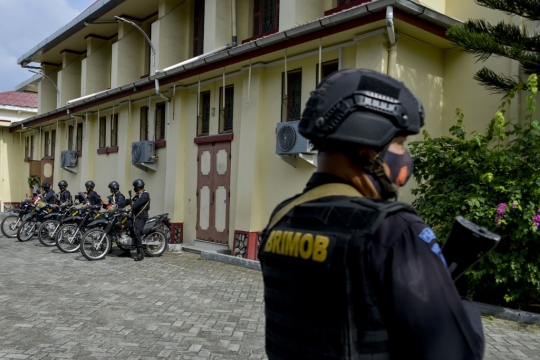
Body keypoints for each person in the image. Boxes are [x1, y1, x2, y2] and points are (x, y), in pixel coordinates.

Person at [258, 69, 485, 359]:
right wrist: (458, 304)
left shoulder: (281, 217)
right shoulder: (394, 230)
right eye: (400, 143)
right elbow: (459, 352)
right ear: (368, 149)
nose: (404, 156)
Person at [124, 179, 149, 261]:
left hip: (142, 217)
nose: (134, 188)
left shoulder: (145, 195)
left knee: (136, 232)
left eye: (135, 187)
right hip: (135, 216)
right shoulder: (137, 195)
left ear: (138, 187)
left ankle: (140, 253)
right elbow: (131, 202)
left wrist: (131, 206)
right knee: (127, 228)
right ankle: (126, 251)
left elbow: (139, 202)